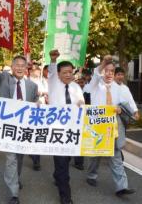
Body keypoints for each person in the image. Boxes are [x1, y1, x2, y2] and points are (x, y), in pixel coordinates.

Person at [0, 43, 38, 204]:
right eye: (17, 65)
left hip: (24, 128)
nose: (20, 68)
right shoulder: (4, 79)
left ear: (26, 68)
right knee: (11, 158)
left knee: (19, 157)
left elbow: (35, 101)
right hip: (7, 126)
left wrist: (37, 103)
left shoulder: (32, 86)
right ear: (12, 67)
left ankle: (16, 178)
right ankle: (14, 193)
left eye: (23, 65)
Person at [86, 55, 136, 197]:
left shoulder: (119, 88)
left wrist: (121, 110)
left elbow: (126, 105)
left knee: (115, 155)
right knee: (96, 154)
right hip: (98, 123)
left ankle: (121, 187)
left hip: (114, 125)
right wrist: (103, 63)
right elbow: (96, 73)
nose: (109, 74)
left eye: (112, 71)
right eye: (106, 71)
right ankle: (91, 175)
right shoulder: (95, 84)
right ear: (102, 71)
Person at [48, 50, 84, 204]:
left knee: (66, 158)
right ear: (58, 73)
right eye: (65, 72)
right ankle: (65, 196)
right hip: (57, 129)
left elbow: (82, 103)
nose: (68, 75)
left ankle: (57, 175)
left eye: (70, 72)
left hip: (72, 129)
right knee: (62, 163)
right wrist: (53, 59)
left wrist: (81, 105)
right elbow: (51, 69)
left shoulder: (76, 87)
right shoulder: (53, 82)